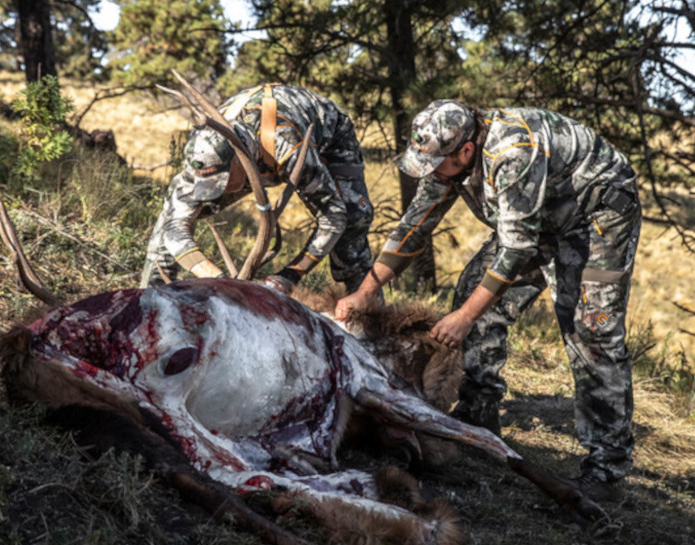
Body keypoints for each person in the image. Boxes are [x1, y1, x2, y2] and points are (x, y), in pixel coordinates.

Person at [335, 100, 641, 500]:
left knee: (591, 336)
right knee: (474, 293)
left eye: (435, 164)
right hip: (535, 221)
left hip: (596, 218)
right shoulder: (448, 155)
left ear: (465, 151)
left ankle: (606, 470)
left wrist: (463, 317)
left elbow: (515, 251)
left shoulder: (513, 155)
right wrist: (366, 290)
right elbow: (414, 227)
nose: (430, 174)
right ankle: (478, 413)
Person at [140, 83, 374, 295]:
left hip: (328, 135)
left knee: (352, 220)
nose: (214, 192)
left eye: (219, 183)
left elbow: (332, 217)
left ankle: (366, 307)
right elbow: (175, 228)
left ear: (239, 162)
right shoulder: (202, 150)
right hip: (253, 151)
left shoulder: (286, 147)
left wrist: (290, 276)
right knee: (169, 219)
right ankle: (149, 297)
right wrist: (216, 277)